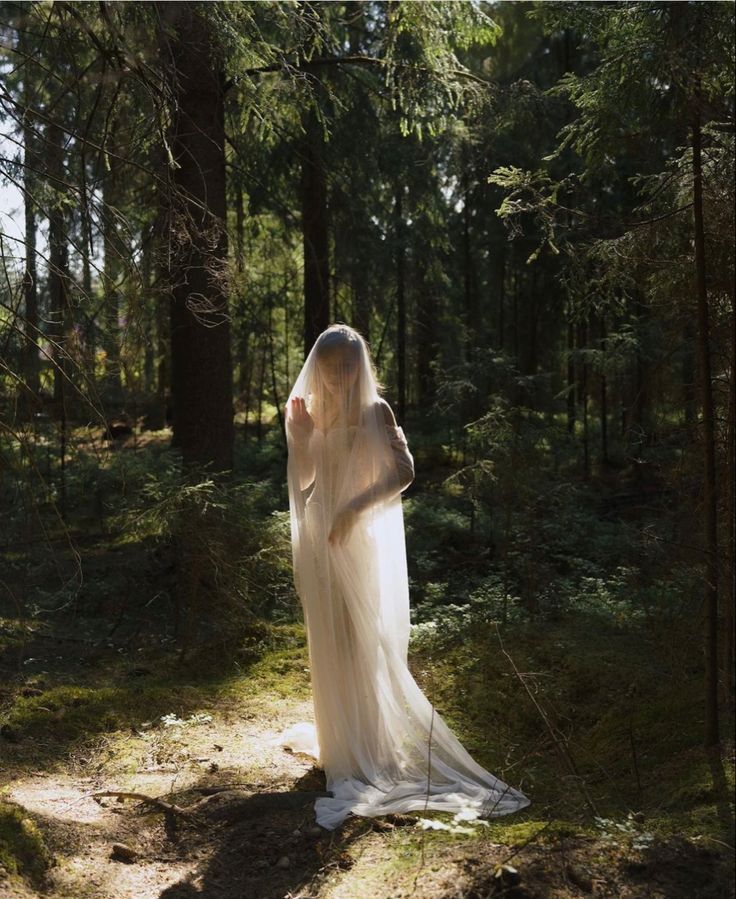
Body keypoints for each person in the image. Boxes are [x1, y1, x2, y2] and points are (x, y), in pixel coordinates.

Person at [283, 324, 529, 830]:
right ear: (320, 368)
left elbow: (404, 472)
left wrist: (353, 508)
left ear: (361, 365)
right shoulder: (312, 410)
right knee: (328, 639)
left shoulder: (377, 411)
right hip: (318, 538)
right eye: (330, 369)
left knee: (359, 641)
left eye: (348, 366)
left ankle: (368, 748)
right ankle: (339, 747)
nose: (338, 377)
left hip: (354, 539)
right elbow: (305, 481)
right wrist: (304, 438)